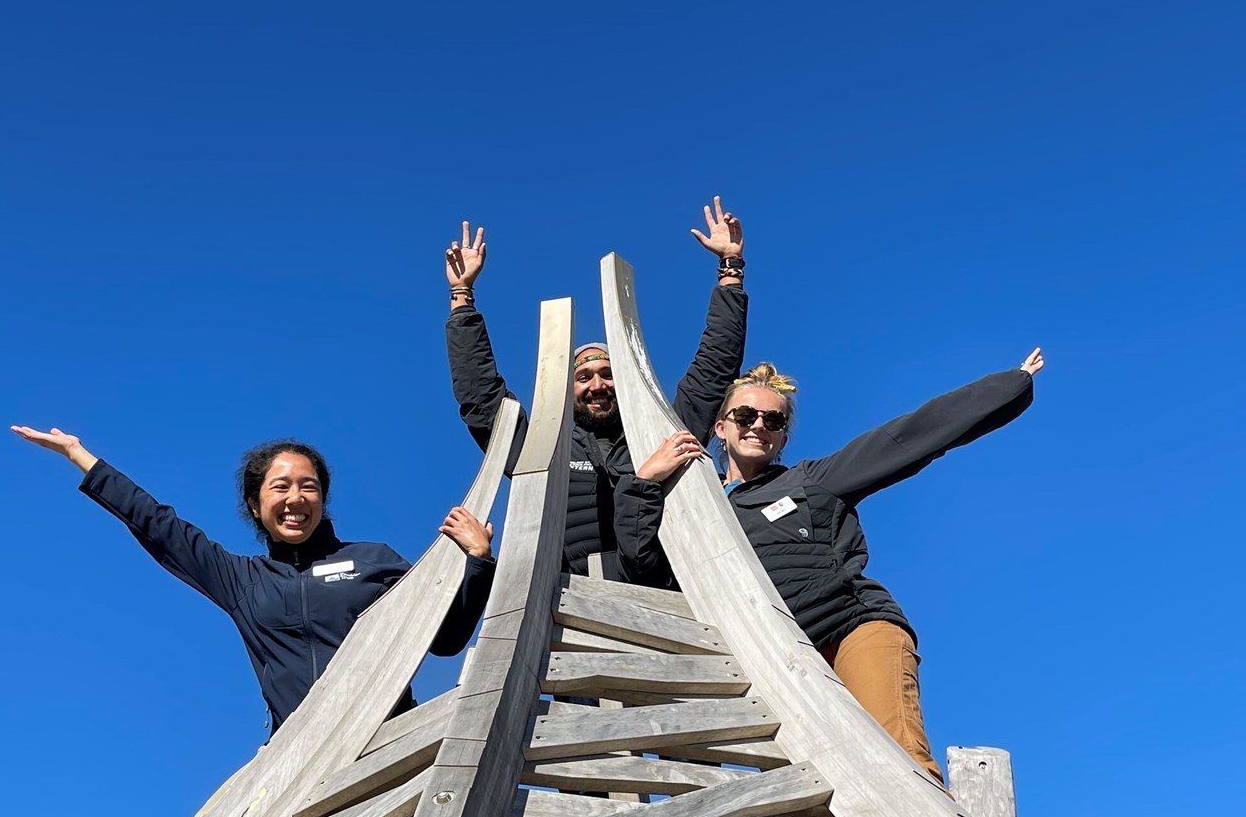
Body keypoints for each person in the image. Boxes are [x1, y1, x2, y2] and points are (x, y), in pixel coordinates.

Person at [613, 350, 1046, 783]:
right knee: (822, 787)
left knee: (897, 762)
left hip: (850, 629)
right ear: (720, 427)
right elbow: (644, 572)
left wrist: (1009, 385)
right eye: (745, 415)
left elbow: (911, 438)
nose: (759, 426)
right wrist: (645, 484)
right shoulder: (694, 510)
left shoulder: (809, 481)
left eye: (774, 421)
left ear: (783, 438)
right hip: (774, 659)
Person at [10, 427, 495, 733]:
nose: (295, 497)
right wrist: (81, 457)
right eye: (279, 486)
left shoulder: (374, 560)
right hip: (300, 758)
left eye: (308, 486)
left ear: (323, 500)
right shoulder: (242, 580)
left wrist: (477, 562)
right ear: (255, 505)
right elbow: (161, 526)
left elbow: (447, 640)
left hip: (391, 736)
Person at [443, 196, 747, 582]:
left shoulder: (663, 436)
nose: (597, 385)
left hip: (663, 597)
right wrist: (462, 298)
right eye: (584, 377)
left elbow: (713, 371)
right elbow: (482, 399)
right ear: (567, 390)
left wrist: (730, 271)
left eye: (608, 373)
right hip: (569, 603)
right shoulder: (543, 448)